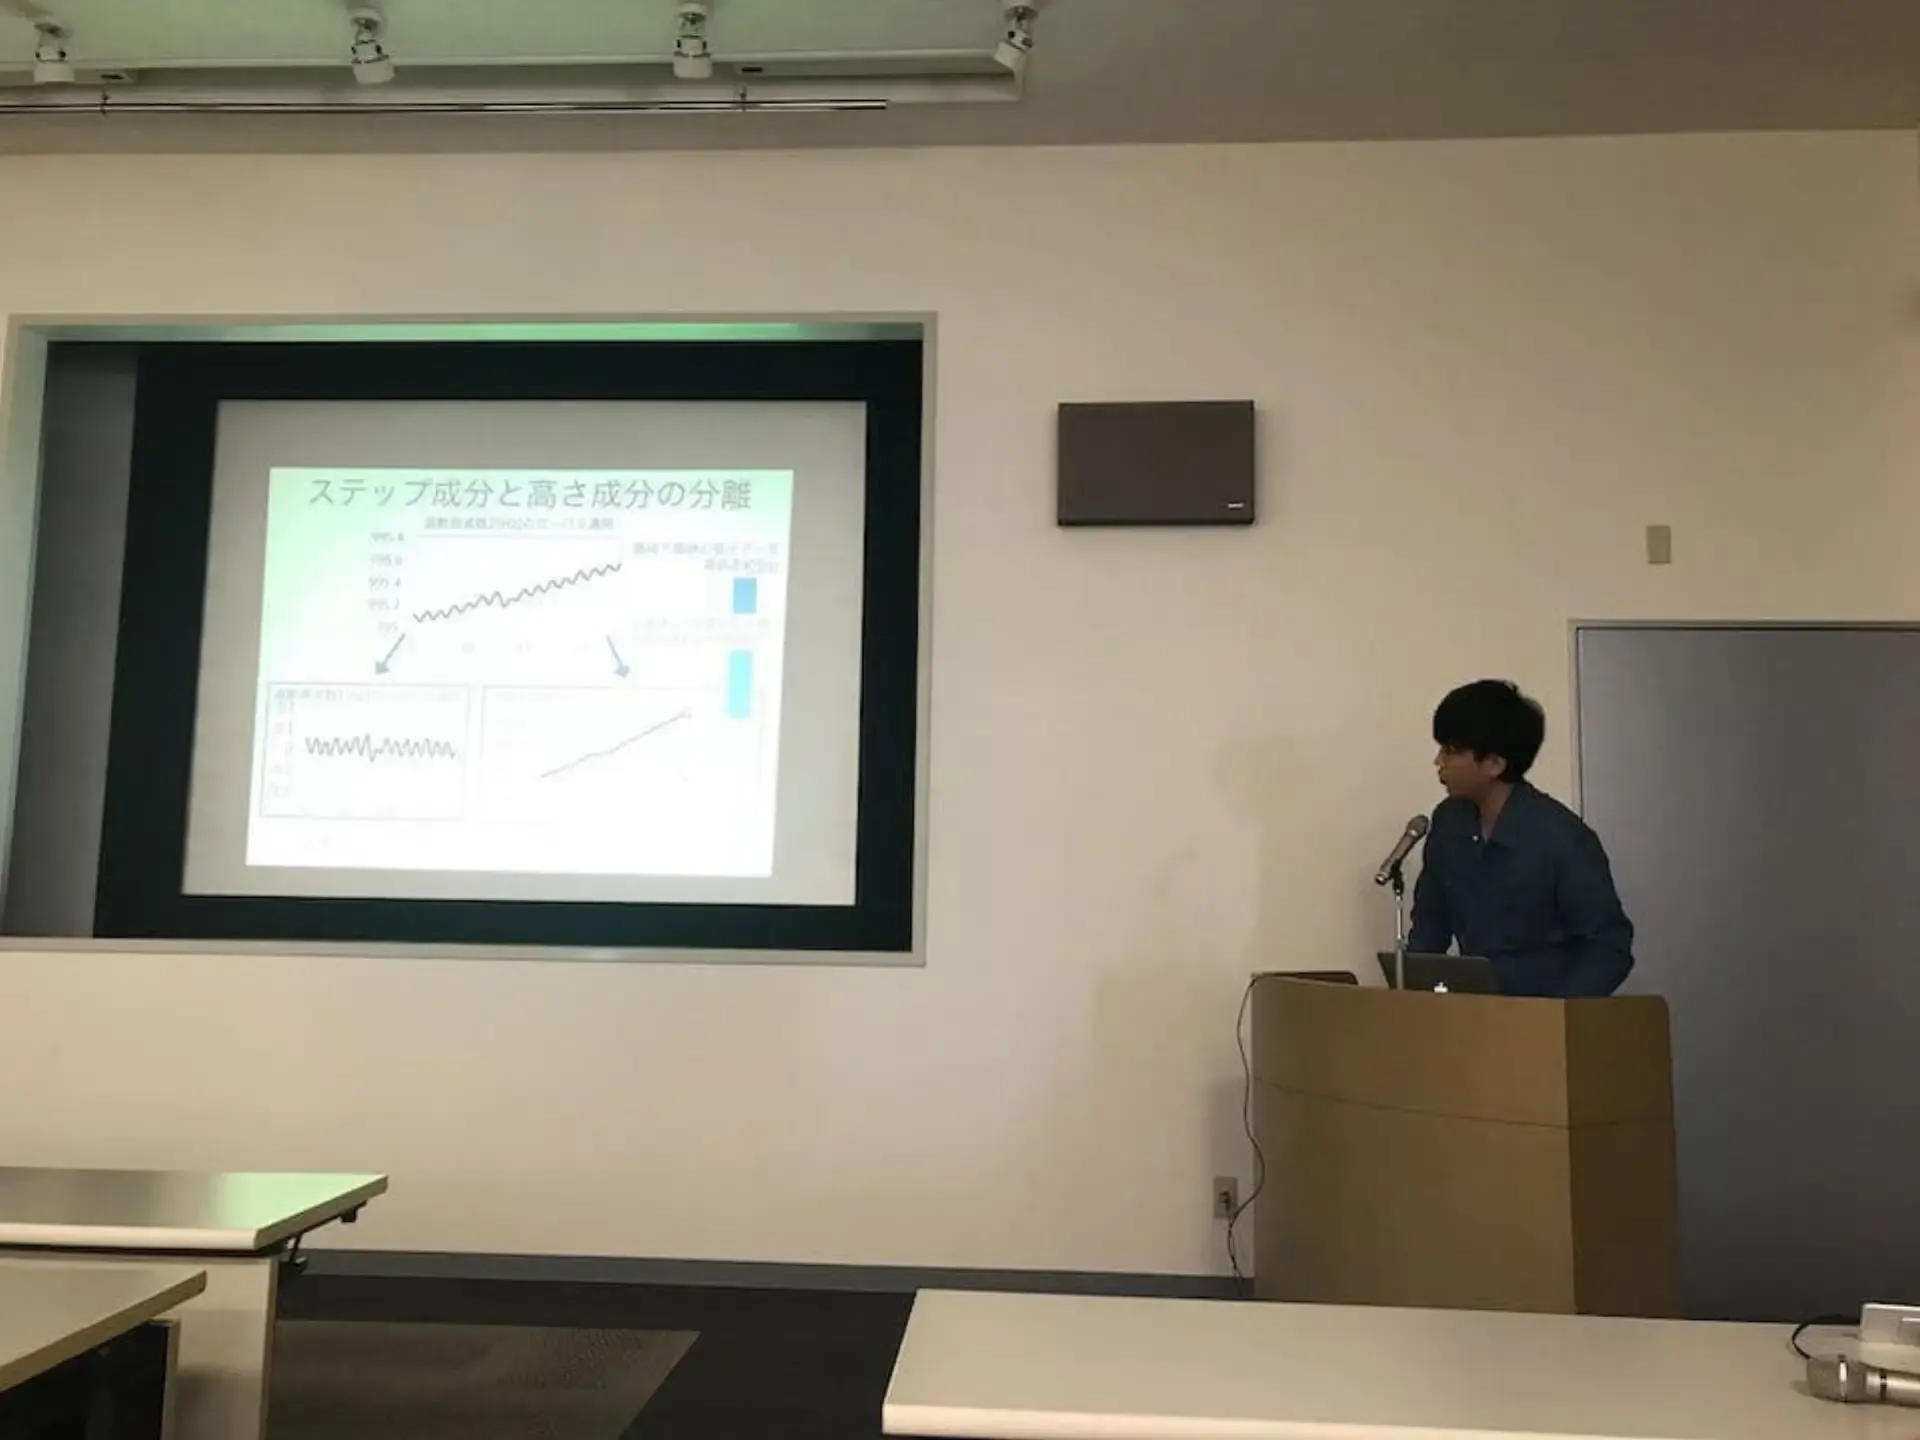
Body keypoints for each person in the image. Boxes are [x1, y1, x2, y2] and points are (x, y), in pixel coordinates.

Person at [1408, 679, 1634, 998]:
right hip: (1474, 1010)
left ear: (1494, 764)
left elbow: (1608, 946)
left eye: (1451, 751)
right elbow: (1430, 925)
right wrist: (1415, 990)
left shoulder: (1561, 836)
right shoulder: (1449, 822)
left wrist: (1558, 1012)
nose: (1439, 761)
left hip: (1544, 1012)